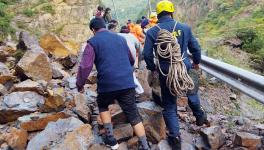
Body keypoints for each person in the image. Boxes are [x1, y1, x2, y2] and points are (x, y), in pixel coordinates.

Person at [76, 18, 150, 150]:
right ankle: (145, 145)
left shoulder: (92, 42)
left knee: (103, 104)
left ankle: (110, 138)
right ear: (104, 26)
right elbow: (131, 58)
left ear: (93, 30)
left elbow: (85, 66)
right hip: (127, 82)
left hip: (107, 84)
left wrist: (80, 84)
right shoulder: (120, 39)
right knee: (133, 114)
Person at [143, 1, 208, 149]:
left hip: (166, 71)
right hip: (184, 66)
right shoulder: (184, 27)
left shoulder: (152, 32)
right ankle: (199, 115)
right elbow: (196, 48)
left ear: (157, 15)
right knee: (192, 91)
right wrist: (196, 63)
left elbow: (146, 54)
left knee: (170, 104)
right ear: (172, 12)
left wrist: (153, 68)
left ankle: (175, 136)